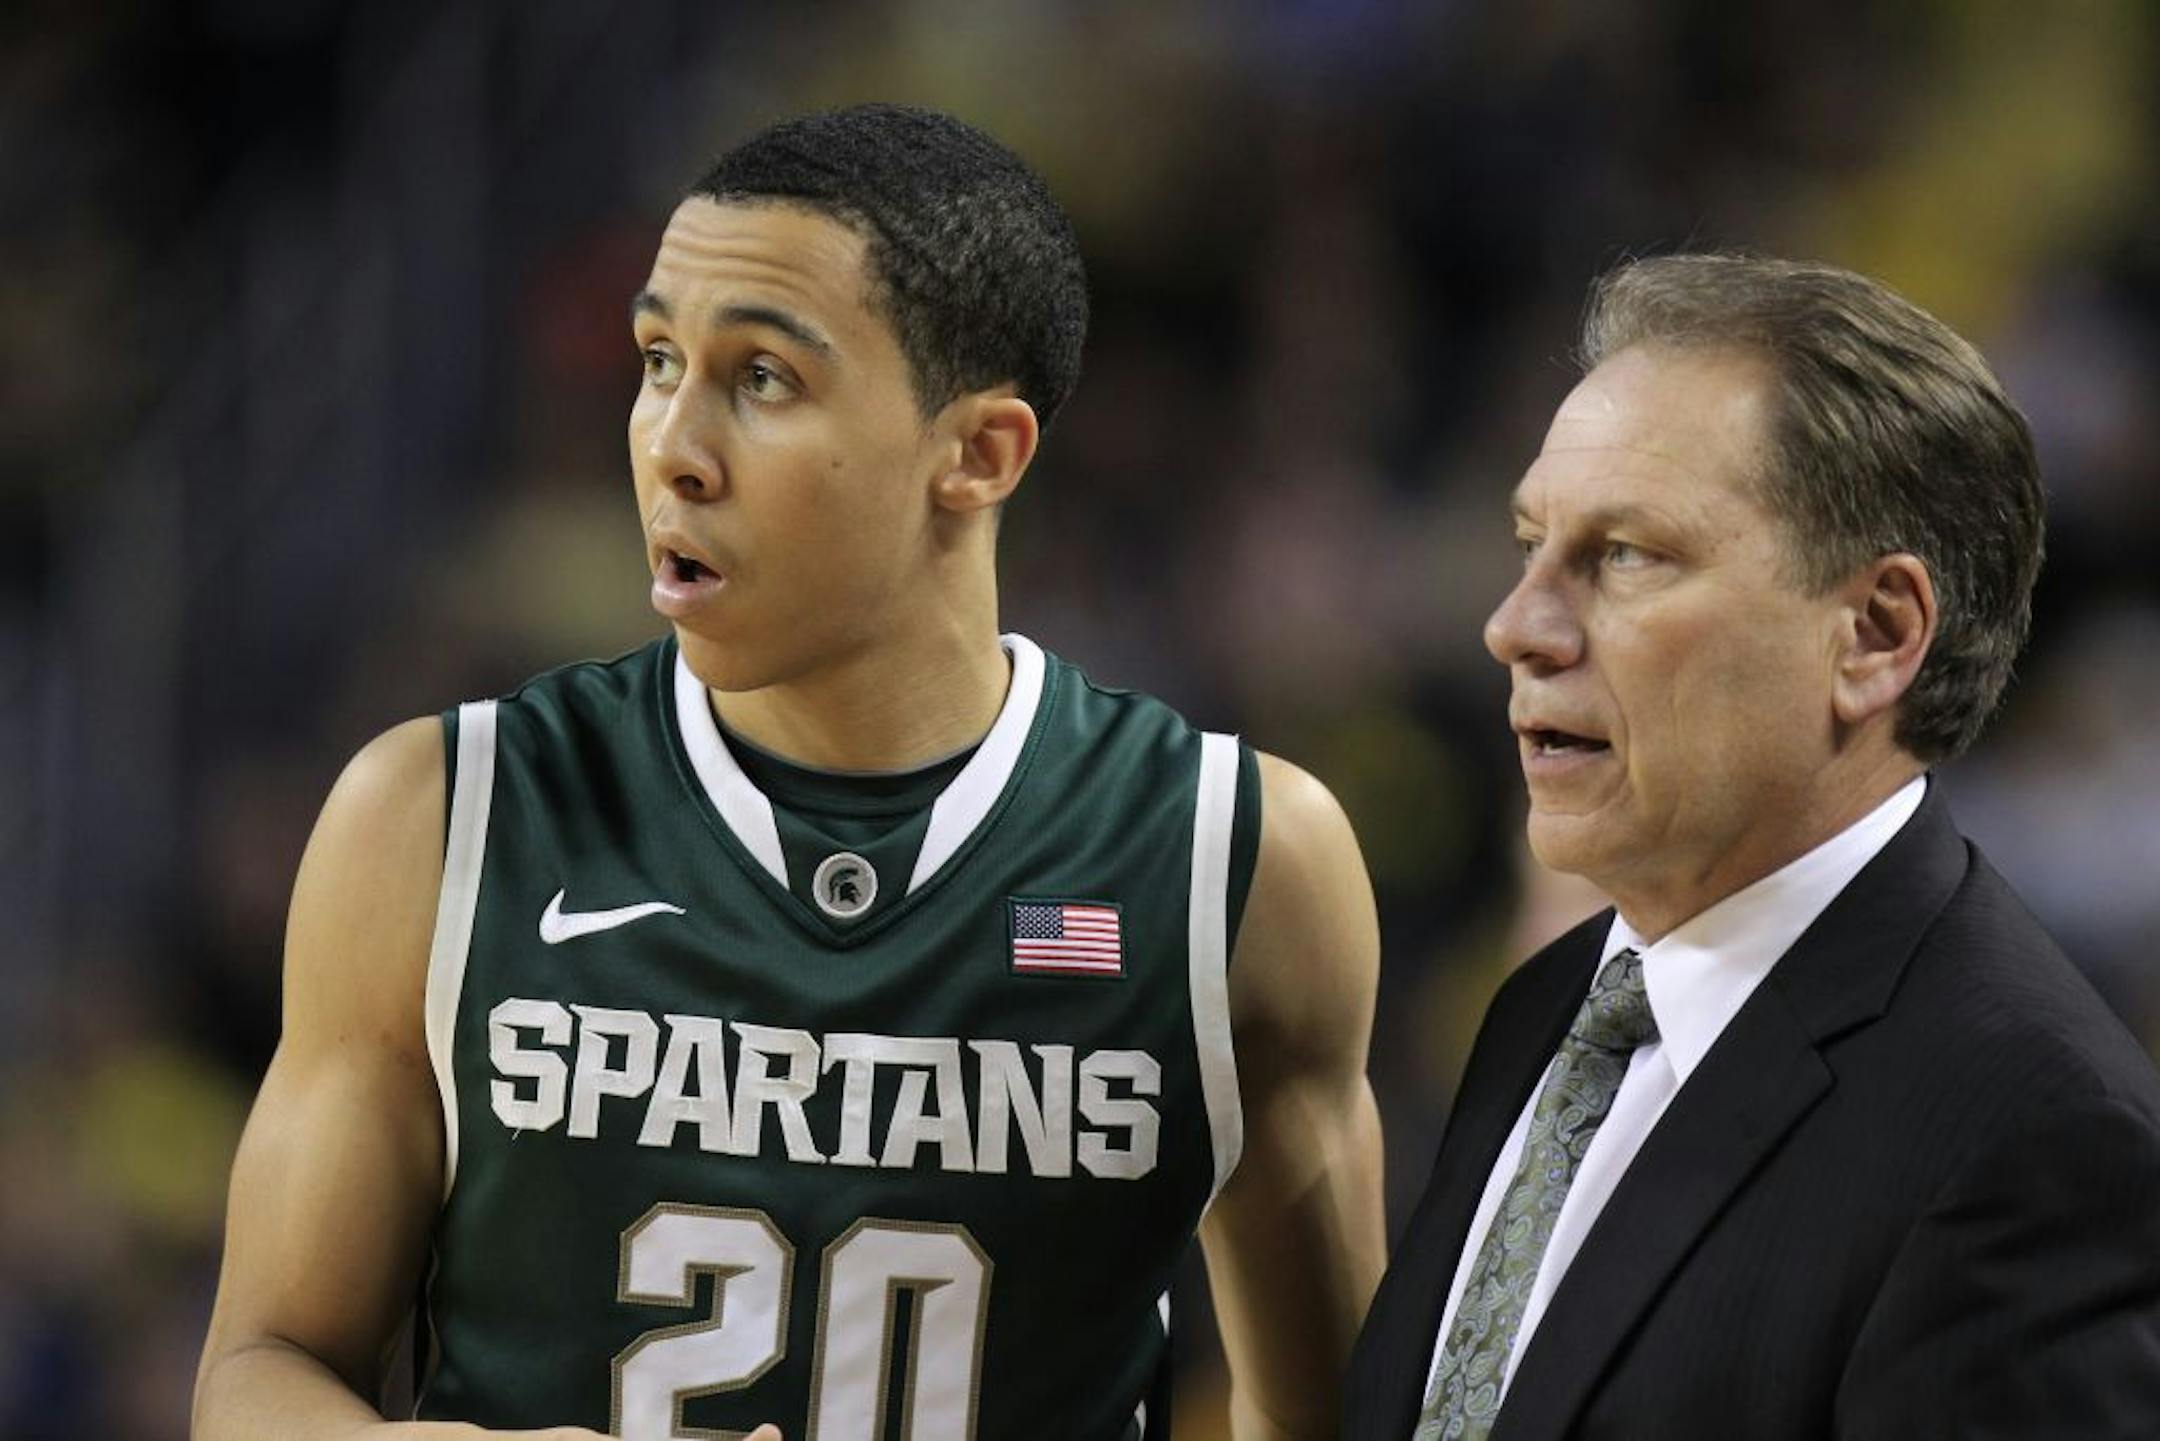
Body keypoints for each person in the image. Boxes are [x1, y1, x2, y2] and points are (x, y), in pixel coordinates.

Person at [193, 103, 1386, 1441]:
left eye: (761, 377)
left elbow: (1344, 1419)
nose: (670, 444)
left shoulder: (1236, 855)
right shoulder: (440, 814)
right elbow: (260, 1370)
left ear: (979, 453)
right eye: (658, 361)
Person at [1345, 254, 2160, 1440]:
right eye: (1530, 544)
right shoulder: (1553, 1007)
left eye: (1626, 554)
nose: (1515, 624)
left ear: (1876, 636)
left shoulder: (2032, 1132)